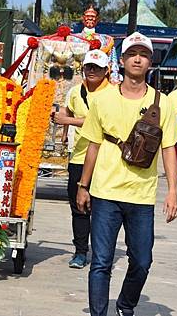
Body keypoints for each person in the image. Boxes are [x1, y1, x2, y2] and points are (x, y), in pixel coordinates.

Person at [76, 32, 177, 316]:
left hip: (142, 194)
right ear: (121, 61)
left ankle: (125, 305)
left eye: (143, 54)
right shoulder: (103, 99)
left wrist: (172, 191)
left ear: (150, 62)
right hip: (105, 191)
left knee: (142, 261)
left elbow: (169, 148)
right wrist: (83, 186)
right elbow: (93, 145)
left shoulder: (164, 103)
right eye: (132, 54)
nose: (138, 58)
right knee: (101, 262)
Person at [53, 49, 111, 269]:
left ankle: (101, 252)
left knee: (103, 209)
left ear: (107, 70)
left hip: (105, 158)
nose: (92, 71)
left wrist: (70, 121)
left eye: (97, 67)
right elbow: (66, 115)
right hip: (79, 157)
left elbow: (98, 123)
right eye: (88, 67)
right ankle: (80, 251)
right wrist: (62, 127)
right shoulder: (76, 92)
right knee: (79, 207)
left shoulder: (113, 94)